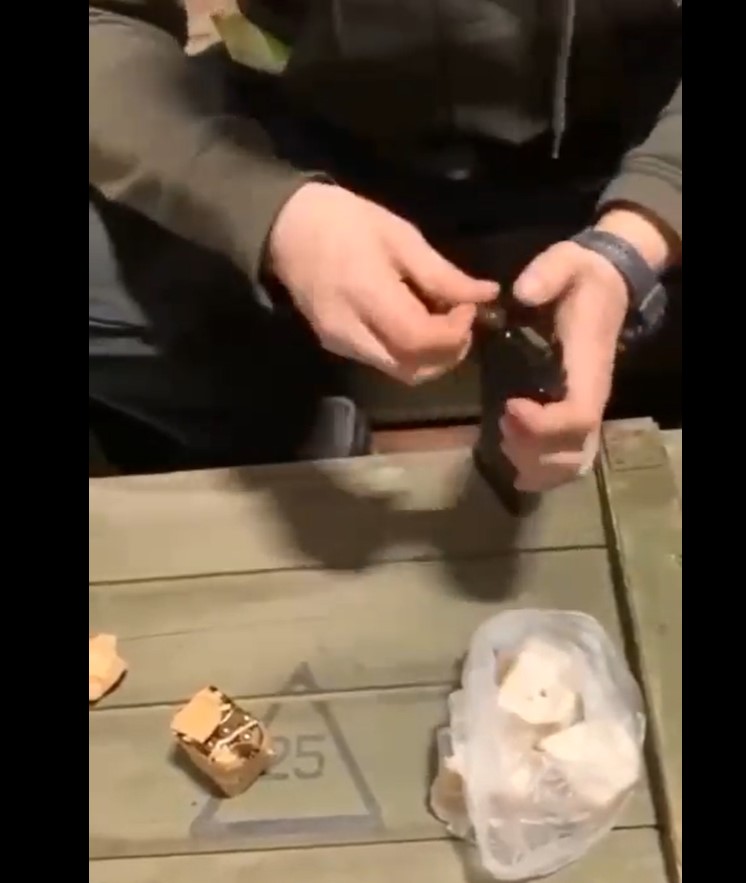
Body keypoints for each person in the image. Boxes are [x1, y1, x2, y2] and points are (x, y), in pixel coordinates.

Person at [89, 0, 681, 490]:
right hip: (303, 146)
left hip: (632, 150)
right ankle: (279, 432)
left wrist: (637, 238)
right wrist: (272, 209)